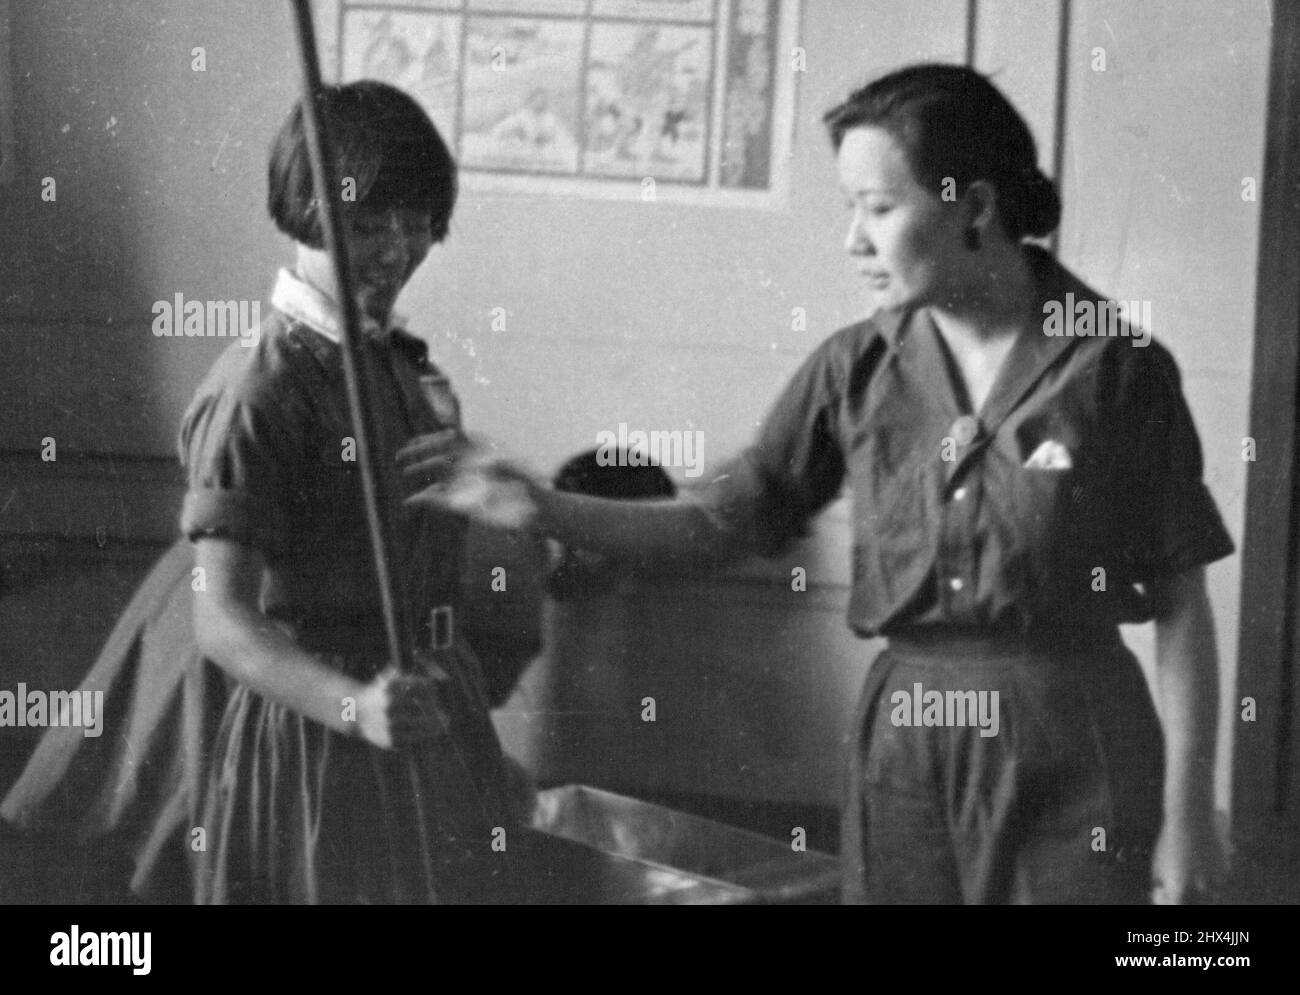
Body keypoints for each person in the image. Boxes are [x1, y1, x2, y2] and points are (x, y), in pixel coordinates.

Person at [406, 63, 1235, 904]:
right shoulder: (854, 369)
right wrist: (545, 509)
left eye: (879, 209)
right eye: (851, 209)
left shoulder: (1116, 372)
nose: (853, 240)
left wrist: (1191, 810)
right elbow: (724, 521)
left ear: (975, 208)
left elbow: (1178, 601)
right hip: (909, 743)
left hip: (1075, 744)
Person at [4, 81, 525, 904]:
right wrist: (357, 708)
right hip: (321, 742)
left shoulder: (393, 362)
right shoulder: (260, 389)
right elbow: (223, 623)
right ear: (306, 211)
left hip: (420, 710)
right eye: (367, 226)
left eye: (416, 221)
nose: (397, 250)